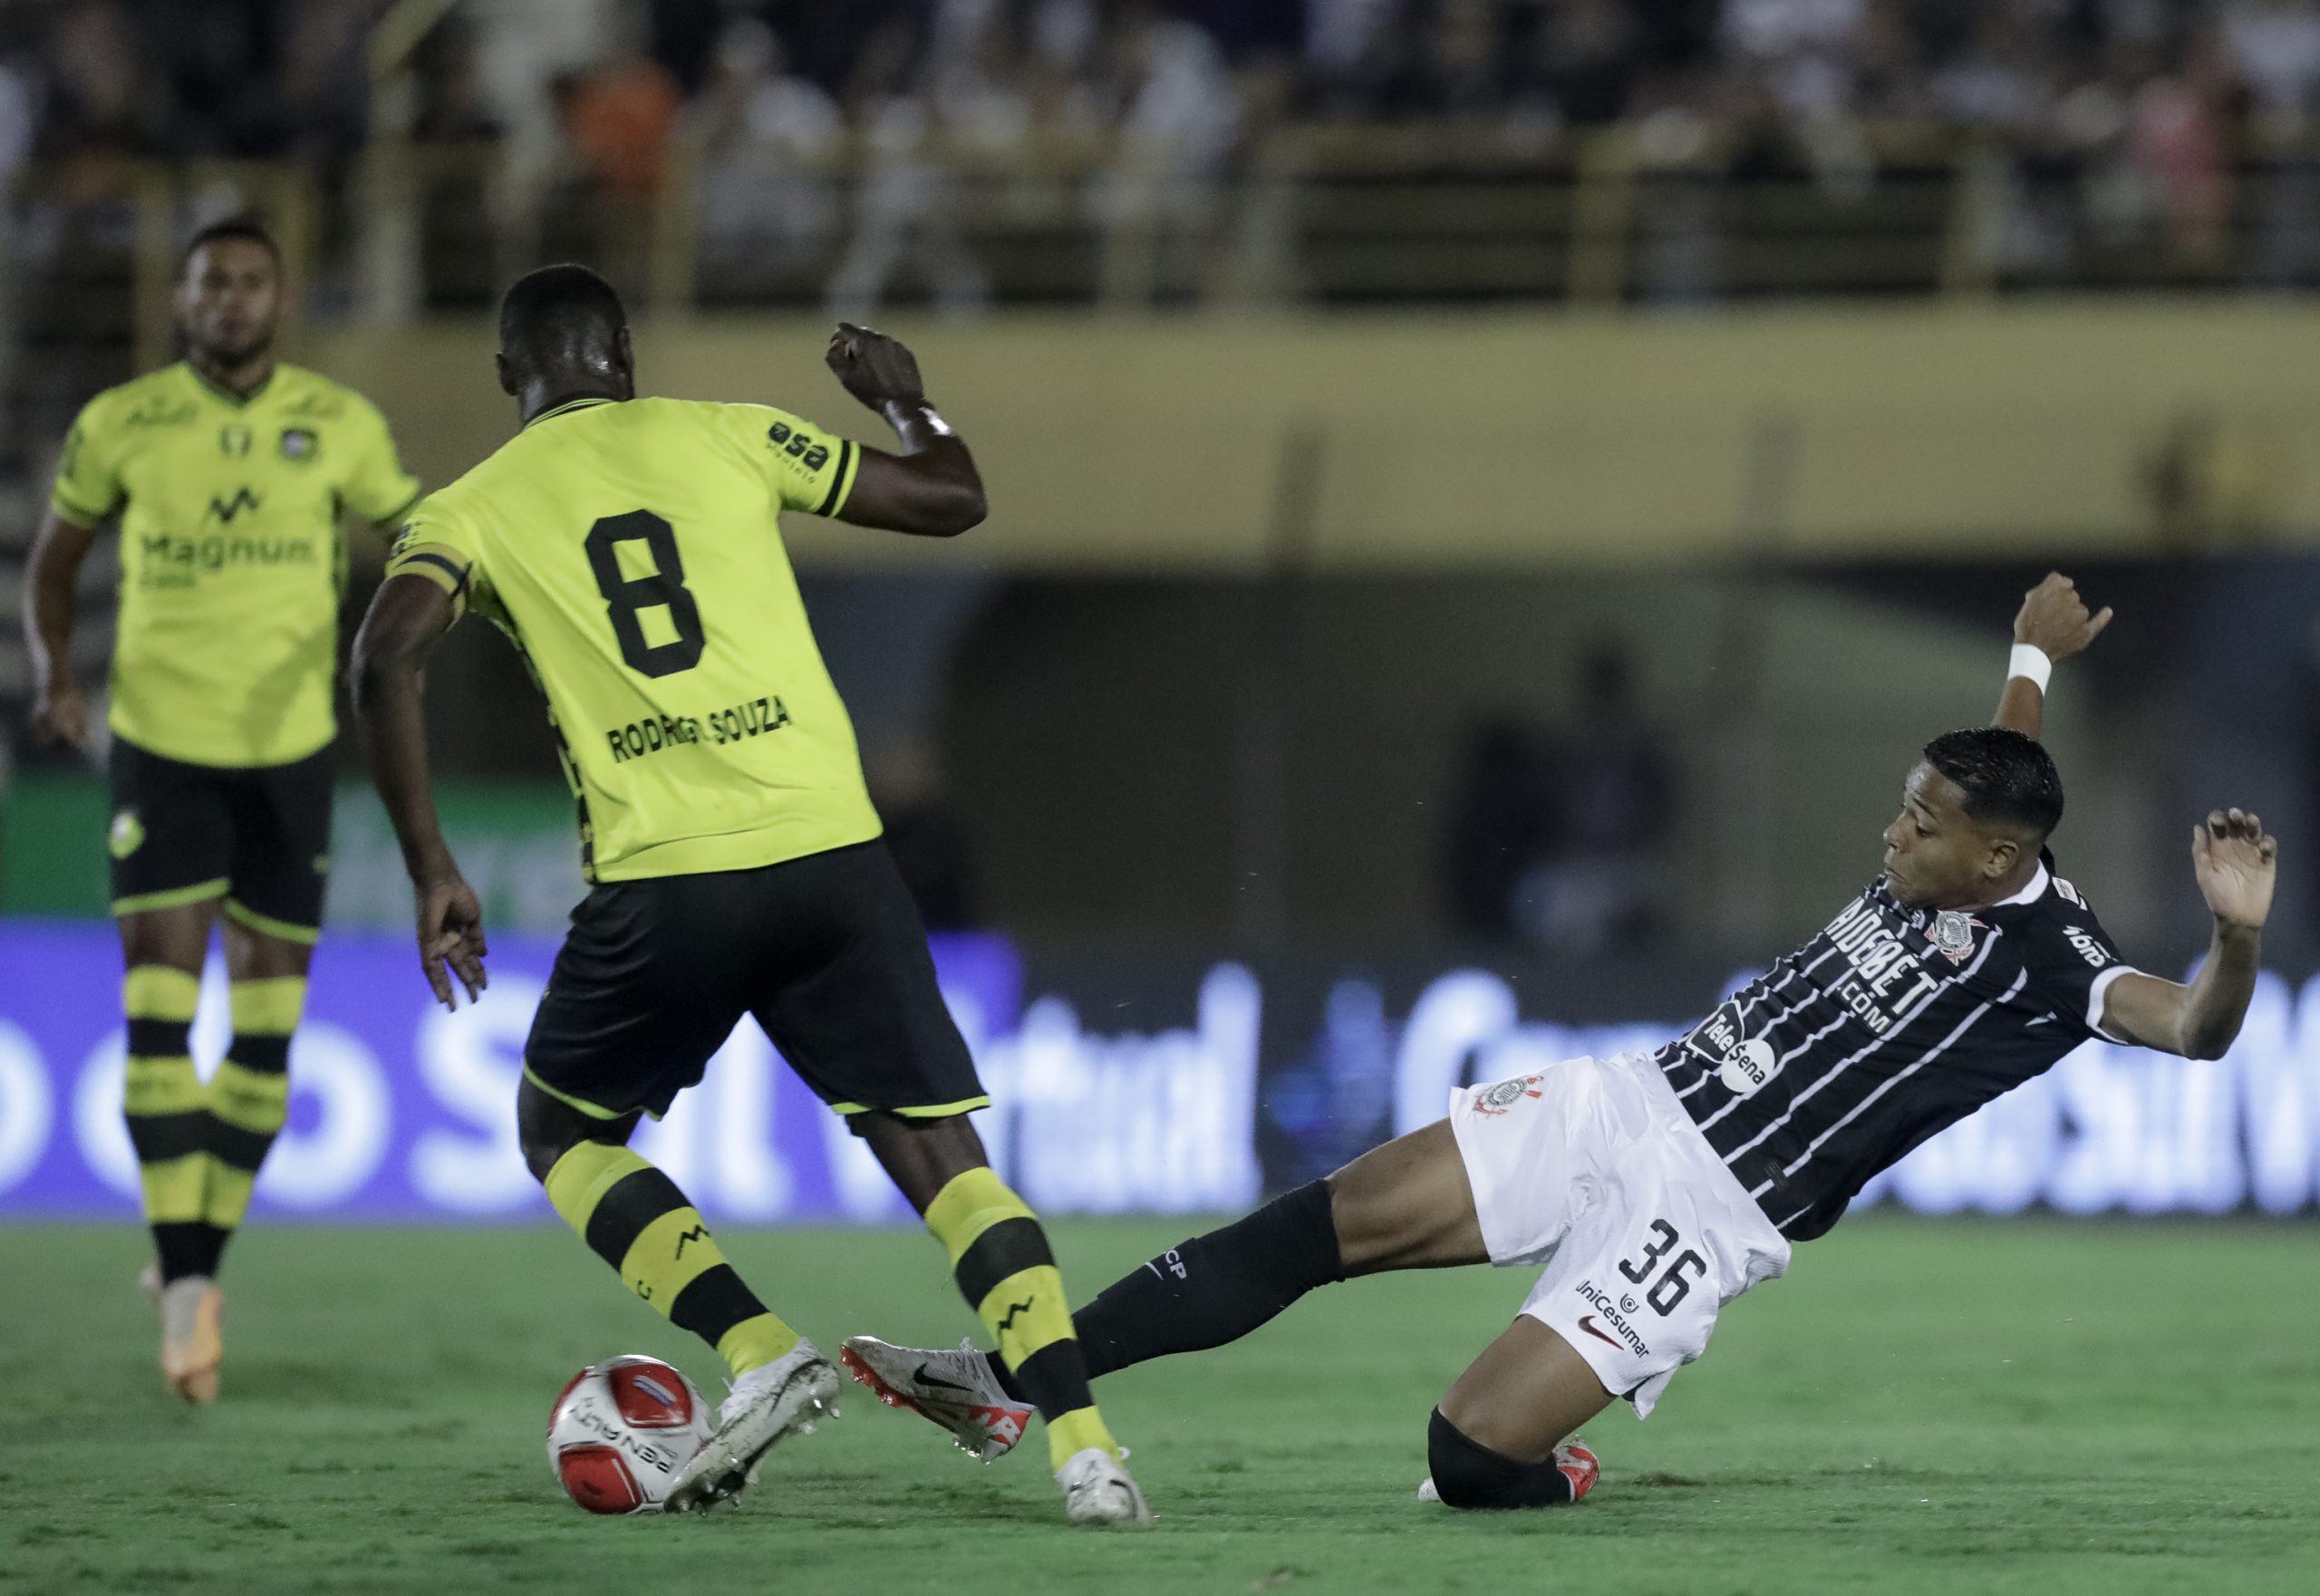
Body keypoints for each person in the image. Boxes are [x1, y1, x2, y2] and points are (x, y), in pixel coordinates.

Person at [846, 574, 2279, 1511]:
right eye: (1904, 806)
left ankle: (1557, 1469)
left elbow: (2196, 1034)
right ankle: (1013, 1383)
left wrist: (2236, 937)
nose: (1889, 833)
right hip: (1627, 1098)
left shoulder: (2055, 960)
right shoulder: (1983, 810)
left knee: (1465, 1459)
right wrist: (2031, 651)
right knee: (1317, 1223)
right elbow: (2005, 746)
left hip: (1704, 1213)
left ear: (1990, 861)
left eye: (1918, 826)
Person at [346, 269, 1146, 1524]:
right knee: (948, 1165)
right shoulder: (726, 429)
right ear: (623, 350)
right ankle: (1089, 1456)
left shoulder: (470, 510)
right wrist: (910, 405)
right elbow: (952, 499)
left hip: (670, 882)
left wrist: (432, 865)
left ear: (511, 376)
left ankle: (763, 1352)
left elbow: (384, 654)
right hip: (837, 862)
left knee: (562, 1136)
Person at [23, 215, 425, 1405]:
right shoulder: (123, 421)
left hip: (291, 751)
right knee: (157, 1013)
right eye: (212, 283)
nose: (232, 300)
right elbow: (53, 562)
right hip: (161, 744)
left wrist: (410, 631)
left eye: (251, 282)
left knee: (263, 1040)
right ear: (184, 299)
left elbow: (412, 537)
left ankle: (195, 1261)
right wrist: (54, 673)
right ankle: (191, 1292)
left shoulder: (341, 425)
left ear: (280, 298)